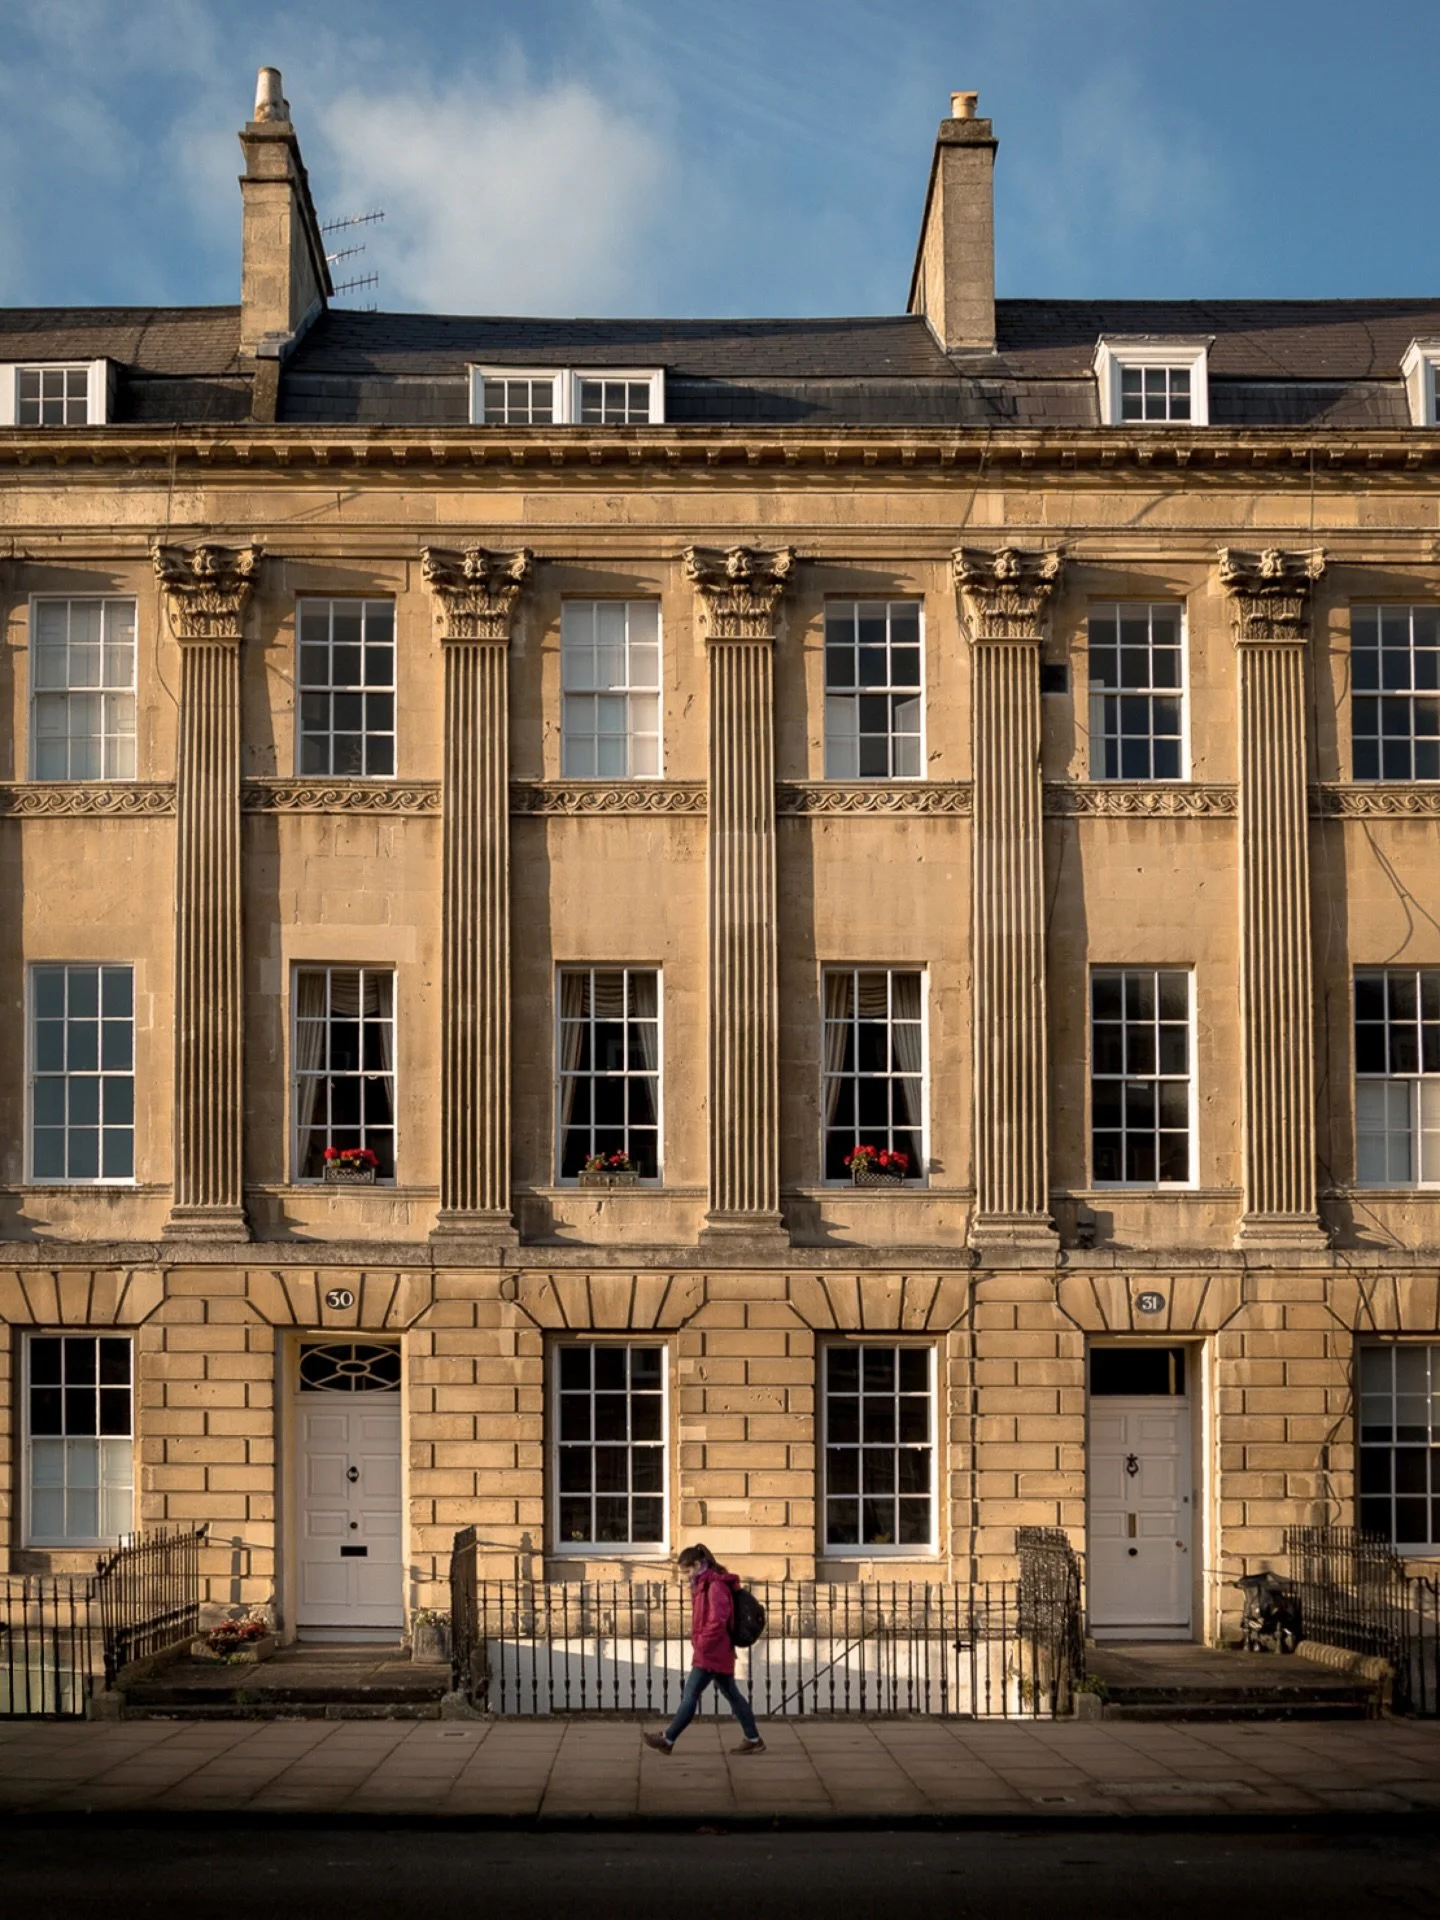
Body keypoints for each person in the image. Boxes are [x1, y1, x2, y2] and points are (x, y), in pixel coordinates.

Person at [643, 1543, 765, 1754]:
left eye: (688, 1570)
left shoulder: (715, 1586)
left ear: (699, 1564)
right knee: (733, 1695)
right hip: (716, 1651)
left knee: (690, 1695)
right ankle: (753, 1738)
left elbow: (718, 1620)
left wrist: (701, 1644)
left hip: (712, 1652)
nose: (686, 1576)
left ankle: (668, 1739)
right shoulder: (704, 1584)